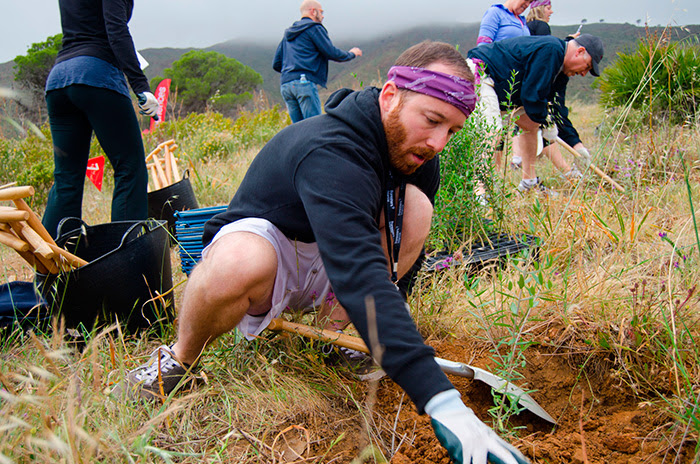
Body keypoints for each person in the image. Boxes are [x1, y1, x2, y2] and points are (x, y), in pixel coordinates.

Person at [115, 41, 529, 464]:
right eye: (433, 120)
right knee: (237, 262)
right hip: (270, 252)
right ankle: (179, 359)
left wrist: (387, 327)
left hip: (335, 261)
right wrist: (442, 401)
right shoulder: (331, 149)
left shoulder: (418, 151)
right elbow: (360, 275)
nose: (439, 141)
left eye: (452, 131)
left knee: (418, 207)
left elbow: (395, 253)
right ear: (390, 96)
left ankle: (336, 336)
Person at [42, 0, 159, 238]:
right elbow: (116, 29)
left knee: (66, 179)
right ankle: (129, 262)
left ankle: (51, 269)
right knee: (129, 169)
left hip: (59, 78)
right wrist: (140, 85)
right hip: (96, 72)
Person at [467, 34, 603, 192]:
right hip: (482, 73)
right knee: (492, 132)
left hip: (502, 90)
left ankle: (528, 183)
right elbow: (531, 96)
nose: (584, 73)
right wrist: (546, 123)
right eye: (587, 66)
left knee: (531, 125)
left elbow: (558, 109)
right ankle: (478, 194)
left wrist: (577, 145)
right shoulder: (551, 50)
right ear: (579, 51)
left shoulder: (561, 71)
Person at [520, 0, 582, 178]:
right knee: (538, 126)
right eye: (548, 7)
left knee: (530, 128)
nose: (551, 11)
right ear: (540, 8)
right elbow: (544, 58)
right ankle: (567, 172)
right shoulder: (541, 27)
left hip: (522, 85)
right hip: (531, 86)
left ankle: (530, 173)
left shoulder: (527, 26)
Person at [273, 0, 362, 123]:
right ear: (313, 11)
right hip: (304, 82)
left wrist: (291, 70)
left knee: (298, 130)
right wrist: (352, 54)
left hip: (286, 84)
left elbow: (276, 63)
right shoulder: (314, 28)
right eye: (321, 11)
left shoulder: (288, 34)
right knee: (315, 127)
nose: (323, 15)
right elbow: (331, 52)